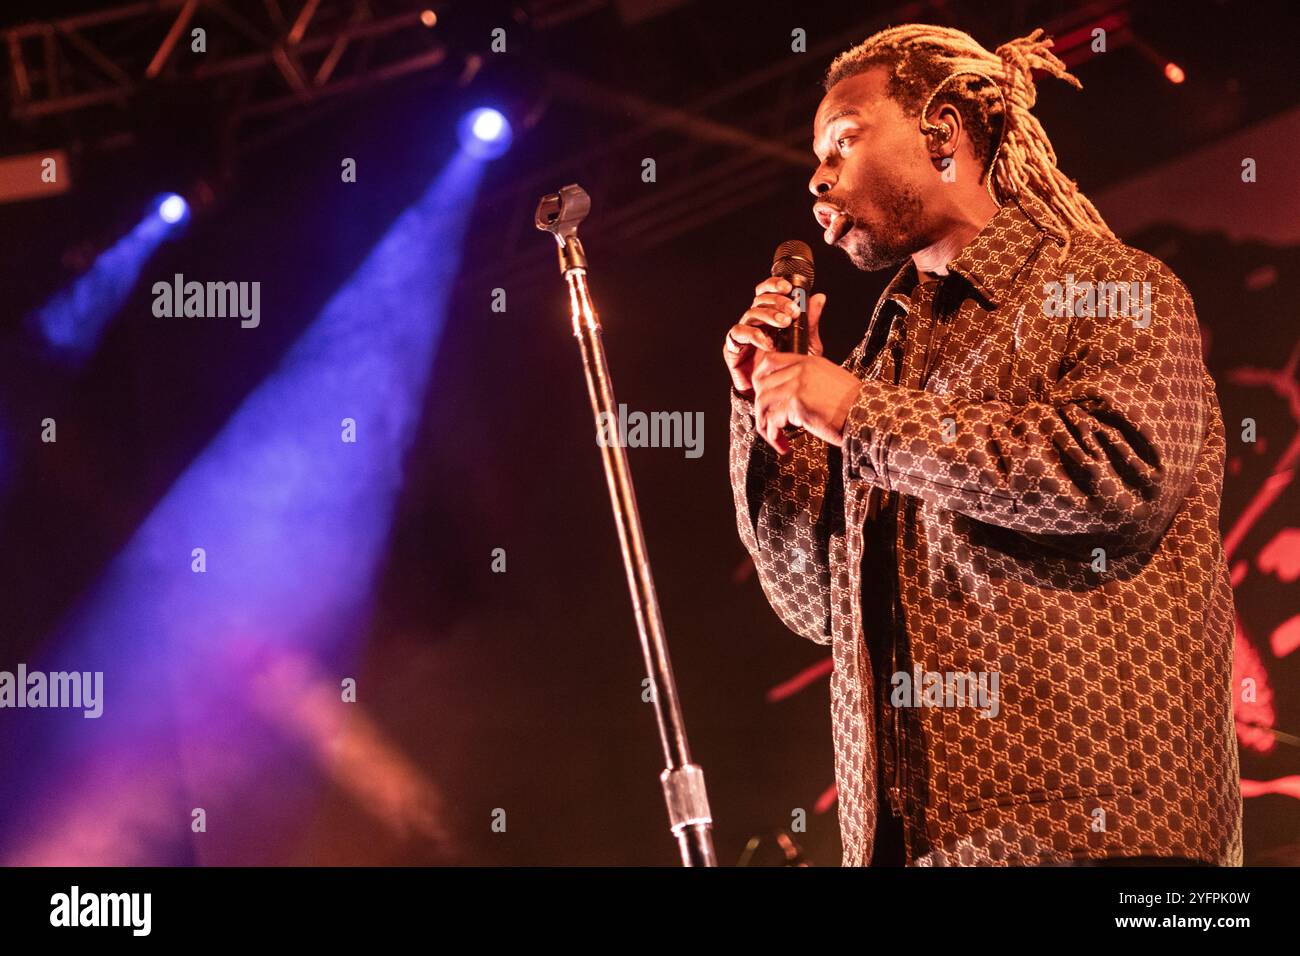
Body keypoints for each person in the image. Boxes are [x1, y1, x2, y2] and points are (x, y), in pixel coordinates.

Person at [724, 24, 1243, 866]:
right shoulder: (873, 363)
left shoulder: (1109, 284)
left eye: (845, 141)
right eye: (816, 157)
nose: (818, 177)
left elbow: (1112, 478)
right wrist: (770, 417)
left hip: (1101, 845)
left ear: (943, 133)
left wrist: (858, 417)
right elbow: (814, 606)